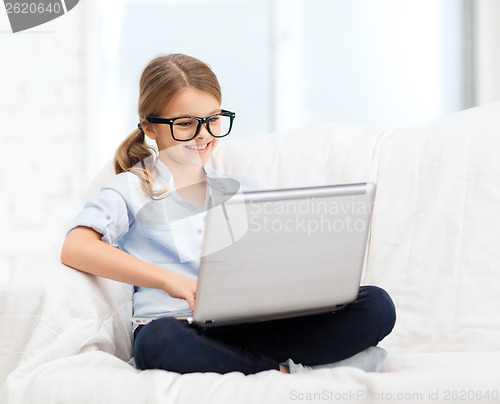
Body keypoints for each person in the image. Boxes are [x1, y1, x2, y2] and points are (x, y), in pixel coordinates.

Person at [61, 53, 396, 375]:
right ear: (150, 127)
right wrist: (170, 281)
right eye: (186, 123)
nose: (203, 135)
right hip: (180, 326)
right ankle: (277, 370)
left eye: (212, 120)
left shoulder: (243, 190)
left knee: (378, 305)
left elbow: (275, 261)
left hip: (253, 325)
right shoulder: (131, 189)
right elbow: (76, 247)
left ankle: (246, 362)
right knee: (158, 343)